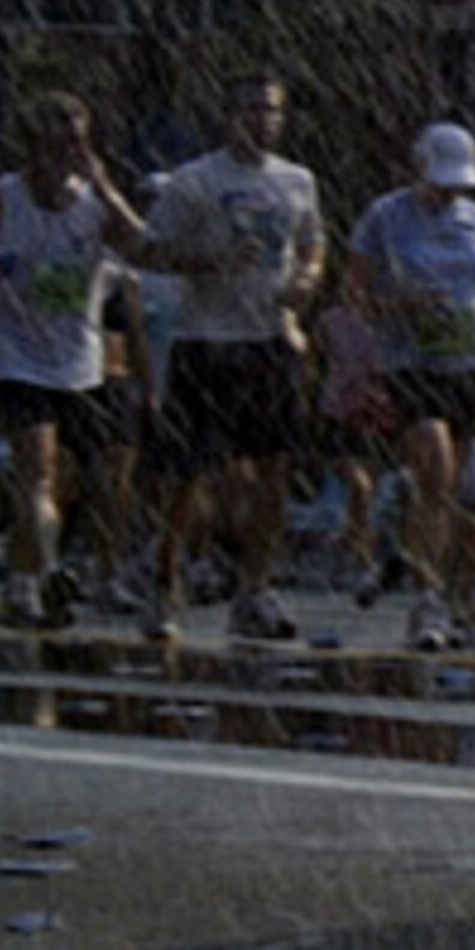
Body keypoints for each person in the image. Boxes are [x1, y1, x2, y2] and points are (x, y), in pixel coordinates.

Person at [0, 94, 146, 634]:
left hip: (79, 356)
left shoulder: (93, 202)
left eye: (78, 143)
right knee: (38, 467)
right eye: (58, 144)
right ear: (34, 146)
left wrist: (104, 187)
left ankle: (20, 581)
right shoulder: (1, 200)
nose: (69, 155)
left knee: (78, 480)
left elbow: (144, 247)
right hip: (14, 353)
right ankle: (46, 576)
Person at [138, 75, 326, 645]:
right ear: (229, 116)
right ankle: (167, 582)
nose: (261, 120)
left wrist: (306, 281)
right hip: (207, 338)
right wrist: (209, 258)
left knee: (274, 469)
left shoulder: (297, 181)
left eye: (270, 110)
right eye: (249, 109)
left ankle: (255, 587)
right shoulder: (195, 181)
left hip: (268, 338)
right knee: (190, 476)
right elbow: (152, 251)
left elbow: (314, 244)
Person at [348, 121, 475, 653]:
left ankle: (448, 577)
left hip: (471, 361)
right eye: (440, 182)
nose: (449, 193)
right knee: (434, 465)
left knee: (468, 490)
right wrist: (399, 308)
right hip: (411, 362)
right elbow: (354, 292)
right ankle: (428, 599)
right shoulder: (385, 217)